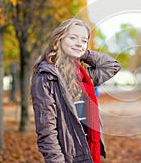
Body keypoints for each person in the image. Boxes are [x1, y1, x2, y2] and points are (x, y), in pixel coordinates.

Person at [31, 18, 121, 163]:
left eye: (84, 40)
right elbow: (47, 132)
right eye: (73, 38)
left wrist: (83, 53)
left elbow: (113, 66)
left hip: (89, 152)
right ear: (58, 39)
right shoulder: (46, 77)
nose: (79, 43)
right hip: (69, 157)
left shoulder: (83, 75)